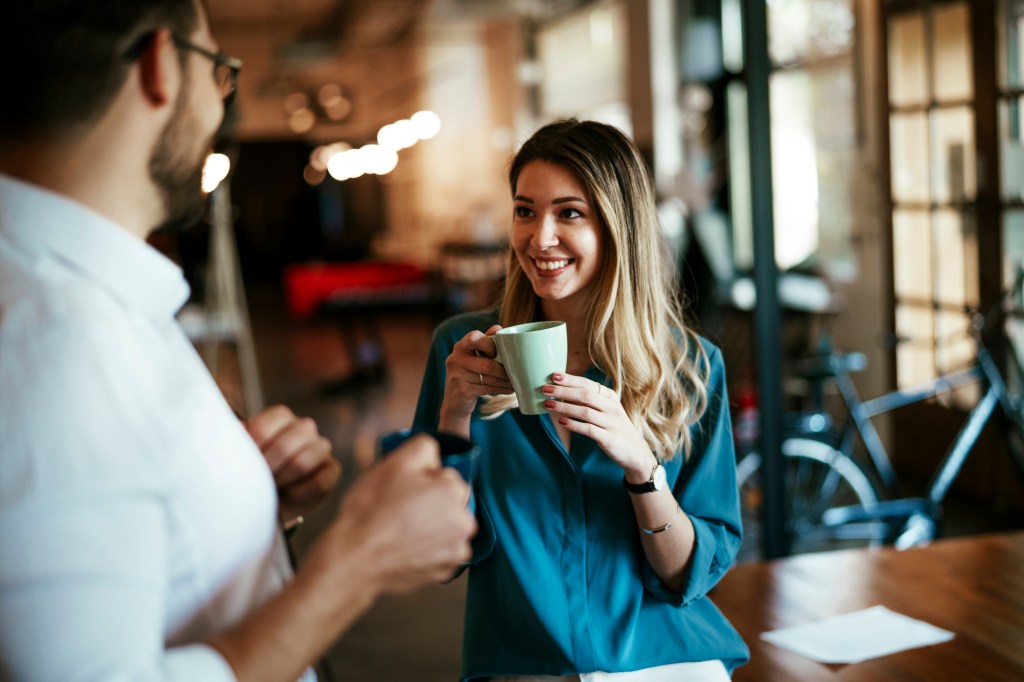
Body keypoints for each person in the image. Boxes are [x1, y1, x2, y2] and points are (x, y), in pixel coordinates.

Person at [0, 2, 475, 681]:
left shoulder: (73, 300)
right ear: (160, 66)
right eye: (218, 69)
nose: (222, 98)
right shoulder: (56, 342)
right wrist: (359, 560)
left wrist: (239, 507)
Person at [413, 119, 749, 681]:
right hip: (523, 665)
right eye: (525, 211)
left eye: (570, 213)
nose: (539, 238)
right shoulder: (462, 351)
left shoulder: (691, 366)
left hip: (661, 662)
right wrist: (453, 418)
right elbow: (438, 556)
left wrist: (643, 468)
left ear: (619, 228)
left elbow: (686, 574)